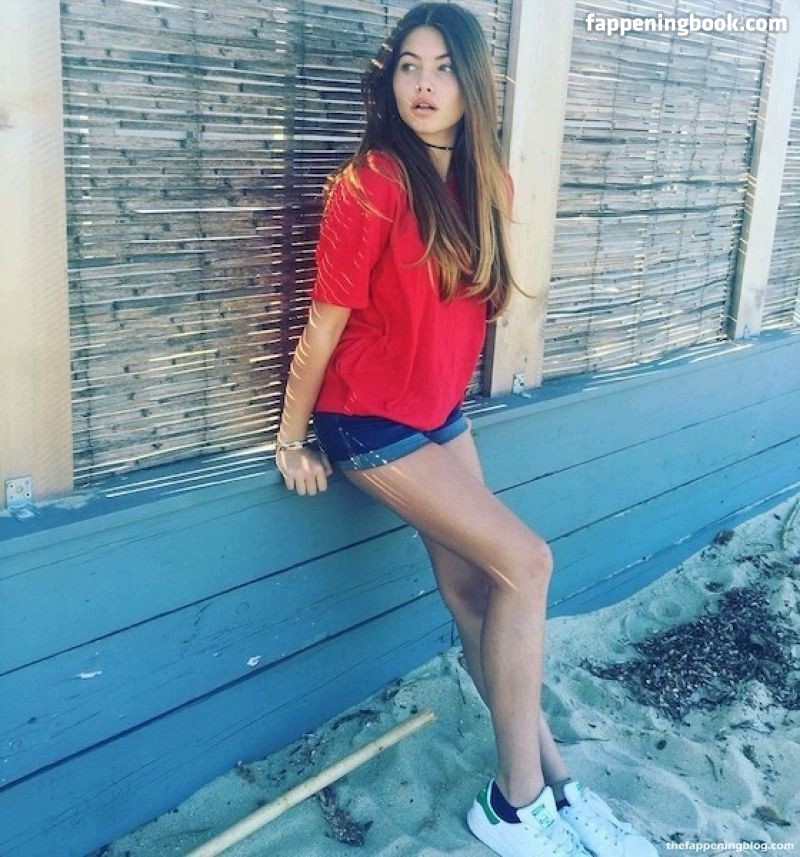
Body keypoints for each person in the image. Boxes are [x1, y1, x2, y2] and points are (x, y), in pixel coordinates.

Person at [275, 4, 658, 855]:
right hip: (366, 419)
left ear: (473, 82)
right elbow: (323, 325)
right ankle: (515, 804)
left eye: (444, 66)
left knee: (480, 592)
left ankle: (558, 787)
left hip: (439, 416)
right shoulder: (372, 183)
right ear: (390, 81)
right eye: (409, 66)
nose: (423, 84)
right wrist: (292, 439)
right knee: (528, 561)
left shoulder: (490, 184)